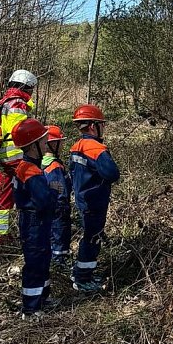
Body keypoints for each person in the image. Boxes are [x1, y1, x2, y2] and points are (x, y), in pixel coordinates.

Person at [69, 104, 120, 292]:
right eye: (101, 125)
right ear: (93, 126)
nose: (103, 128)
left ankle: (83, 273)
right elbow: (112, 173)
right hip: (94, 201)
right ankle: (82, 278)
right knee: (92, 239)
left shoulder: (76, 147)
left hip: (83, 199)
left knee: (90, 237)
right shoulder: (96, 149)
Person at [11, 118, 56, 320]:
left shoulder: (29, 168)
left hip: (37, 222)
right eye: (44, 142)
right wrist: (55, 192)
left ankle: (42, 298)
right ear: (32, 146)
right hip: (33, 222)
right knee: (36, 262)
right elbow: (44, 200)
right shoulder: (29, 170)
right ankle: (30, 308)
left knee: (43, 258)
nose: (47, 146)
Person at [0, 69, 37, 245]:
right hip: (16, 156)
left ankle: (1, 235)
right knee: (34, 190)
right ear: (26, 87)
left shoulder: (2, 102)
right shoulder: (17, 103)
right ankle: (32, 230)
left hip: (0, 158)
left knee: (4, 197)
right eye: (31, 89)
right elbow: (20, 130)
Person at [42, 124, 72, 268]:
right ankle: (58, 264)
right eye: (61, 142)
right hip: (58, 209)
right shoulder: (54, 167)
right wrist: (63, 205)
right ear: (53, 143)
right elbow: (59, 190)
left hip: (44, 209)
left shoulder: (39, 164)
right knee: (59, 236)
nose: (62, 145)